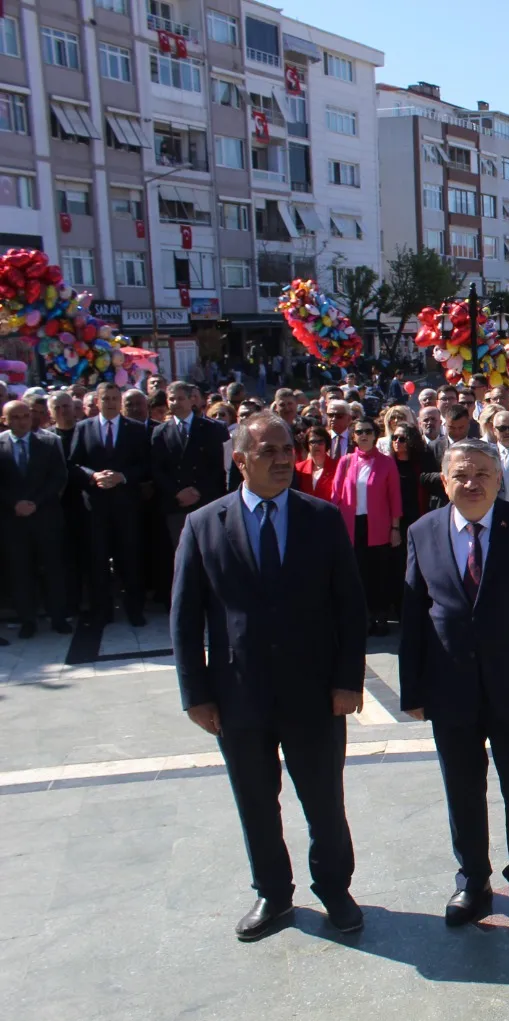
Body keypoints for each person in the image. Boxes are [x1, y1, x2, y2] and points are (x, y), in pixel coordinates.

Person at [170, 413, 368, 941]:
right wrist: (195, 694)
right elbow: (185, 617)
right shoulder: (204, 525)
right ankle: (273, 893)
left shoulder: (322, 518)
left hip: (314, 692)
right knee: (256, 801)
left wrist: (348, 680)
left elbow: (349, 606)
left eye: (288, 449)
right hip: (238, 695)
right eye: (269, 452)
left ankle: (335, 888)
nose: (283, 460)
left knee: (324, 801)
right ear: (240, 461)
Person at [399, 438, 509, 927]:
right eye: (461, 475)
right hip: (449, 687)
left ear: (498, 479)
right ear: (444, 480)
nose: (471, 483)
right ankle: (473, 881)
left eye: (481, 474)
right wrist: (413, 689)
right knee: (462, 790)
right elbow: (414, 614)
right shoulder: (423, 531)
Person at [68, 381, 151, 626]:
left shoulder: (135, 429)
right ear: (97, 402)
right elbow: (73, 464)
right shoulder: (83, 428)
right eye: (106, 399)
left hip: (126, 506)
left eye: (115, 398)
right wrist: (92, 476)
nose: (111, 403)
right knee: (97, 560)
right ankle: (102, 611)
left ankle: (135, 610)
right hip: (95, 507)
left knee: (130, 559)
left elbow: (146, 465)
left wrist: (123, 476)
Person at [0, 399, 70, 637]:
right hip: (13, 520)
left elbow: (58, 477)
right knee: (20, 571)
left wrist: (35, 503)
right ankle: (27, 620)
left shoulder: (48, 442)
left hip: (45, 517)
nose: (22, 422)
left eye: (25, 416)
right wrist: (15, 503)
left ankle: (58, 617)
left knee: (53, 568)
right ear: (5, 420)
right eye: (15, 417)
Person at [331, 420, 402, 635]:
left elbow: (394, 497)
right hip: (352, 525)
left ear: (375, 435)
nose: (363, 435)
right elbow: (335, 496)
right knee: (357, 573)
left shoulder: (387, 462)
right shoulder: (345, 461)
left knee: (379, 573)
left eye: (368, 432)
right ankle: (362, 617)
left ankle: (380, 616)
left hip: (378, 525)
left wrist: (395, 528)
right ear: (353, 436)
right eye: (359, 432)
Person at [150, 381, 230, 554]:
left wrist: (198, 491)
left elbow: (219, 466)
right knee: (183, 553)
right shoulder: (160, 432)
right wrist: (177, 492)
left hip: (206, 500)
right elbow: (157, 468)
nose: (175, 403)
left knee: (209, 551)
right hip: (176, 504)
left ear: (191, 400)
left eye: (180, 398)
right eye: (172, 399)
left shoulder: (213, 428)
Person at [295, 427, 338, 501]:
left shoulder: (337, 467)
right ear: (307, 445)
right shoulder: (298, 468)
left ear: (326, 443)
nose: (316, 445)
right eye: (312, 442)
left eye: (320, 441)